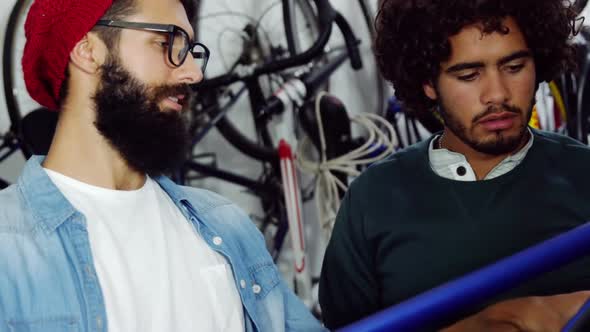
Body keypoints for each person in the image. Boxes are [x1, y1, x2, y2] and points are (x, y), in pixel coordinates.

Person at [0, 0, 325, 331]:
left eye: (190, 50)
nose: (194, 73)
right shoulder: (8, 247)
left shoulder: (225, 225)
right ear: (87, 51)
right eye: (168, 43)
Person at [319, 0, 590, 330]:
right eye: (469, 74)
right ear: (428, 83)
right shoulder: (372, 200)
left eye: (514, 67)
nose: (497, 94)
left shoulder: (582, 175)